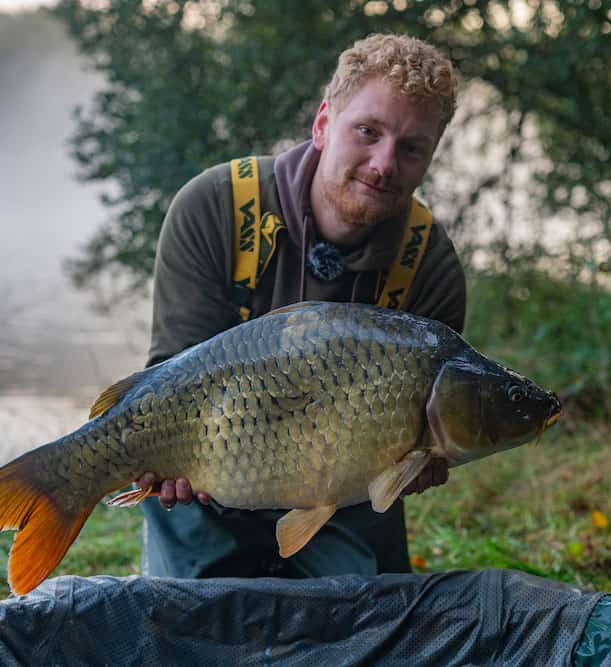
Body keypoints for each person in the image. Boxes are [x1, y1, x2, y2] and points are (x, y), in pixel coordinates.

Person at [136, 33, 467, 579]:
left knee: (361, 632)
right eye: (368, 131)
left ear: (428, 159)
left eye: (411, 148)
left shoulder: (428, 263)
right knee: (199, 628)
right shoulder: (214, 207)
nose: (384, 164)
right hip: (209, 482)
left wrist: (422, 461)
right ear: (322, 124)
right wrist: (168, 465)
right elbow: (170, 378)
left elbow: (423, 443)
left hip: (347, 500)